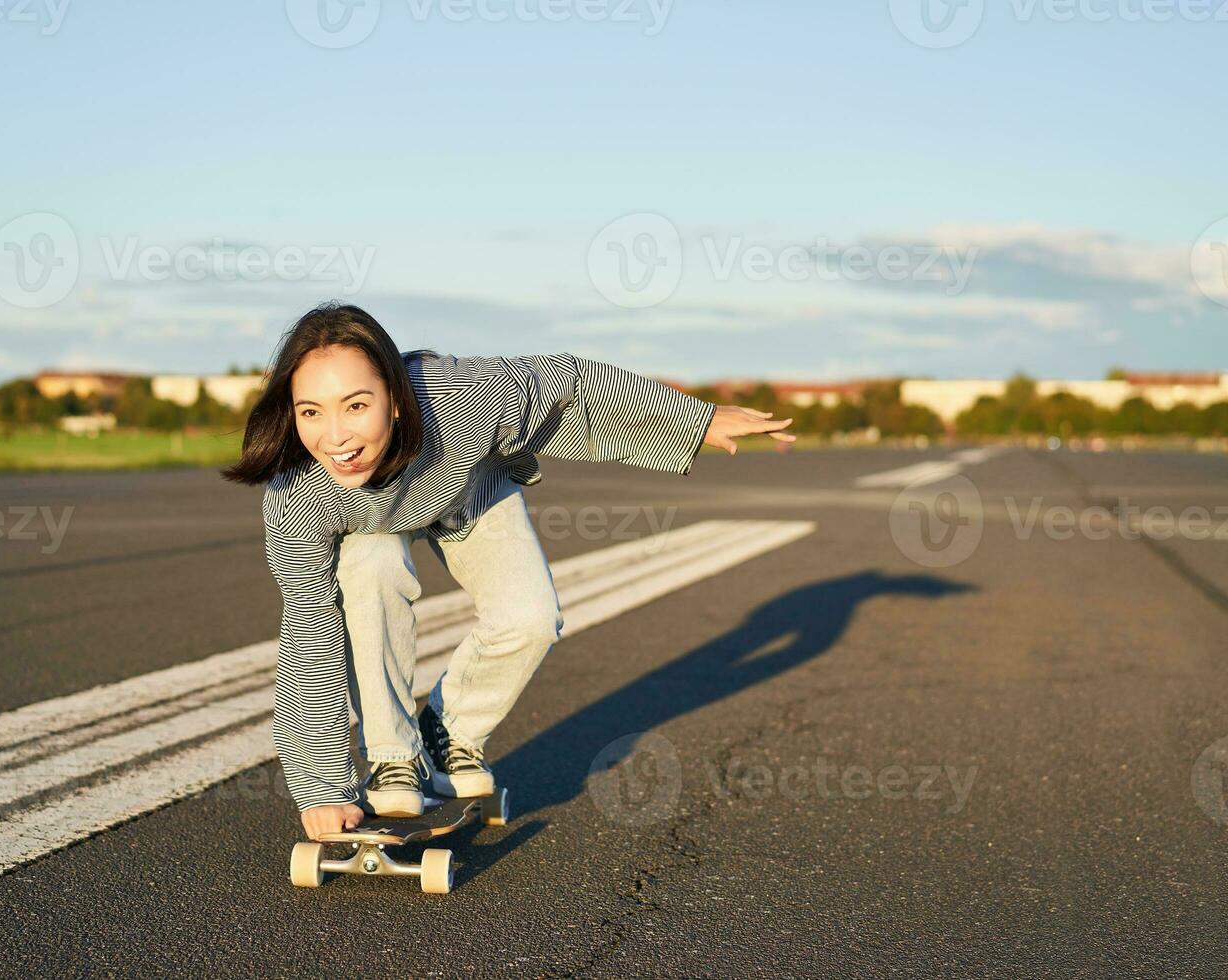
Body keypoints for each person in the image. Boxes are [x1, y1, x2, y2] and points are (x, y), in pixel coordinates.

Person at [219, 303, 796, 841]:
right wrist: (320, 788)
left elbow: (571, 384)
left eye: (356, 405)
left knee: (531, 617)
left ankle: (448, 737)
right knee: (372, 567)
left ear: (395, 399)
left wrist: (697, 421)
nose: (336, 437)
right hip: (368, 524)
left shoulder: (463, 399)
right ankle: (395, 756)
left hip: (466, 480)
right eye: (311, 413)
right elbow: (311, 633)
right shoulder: (297, 494)